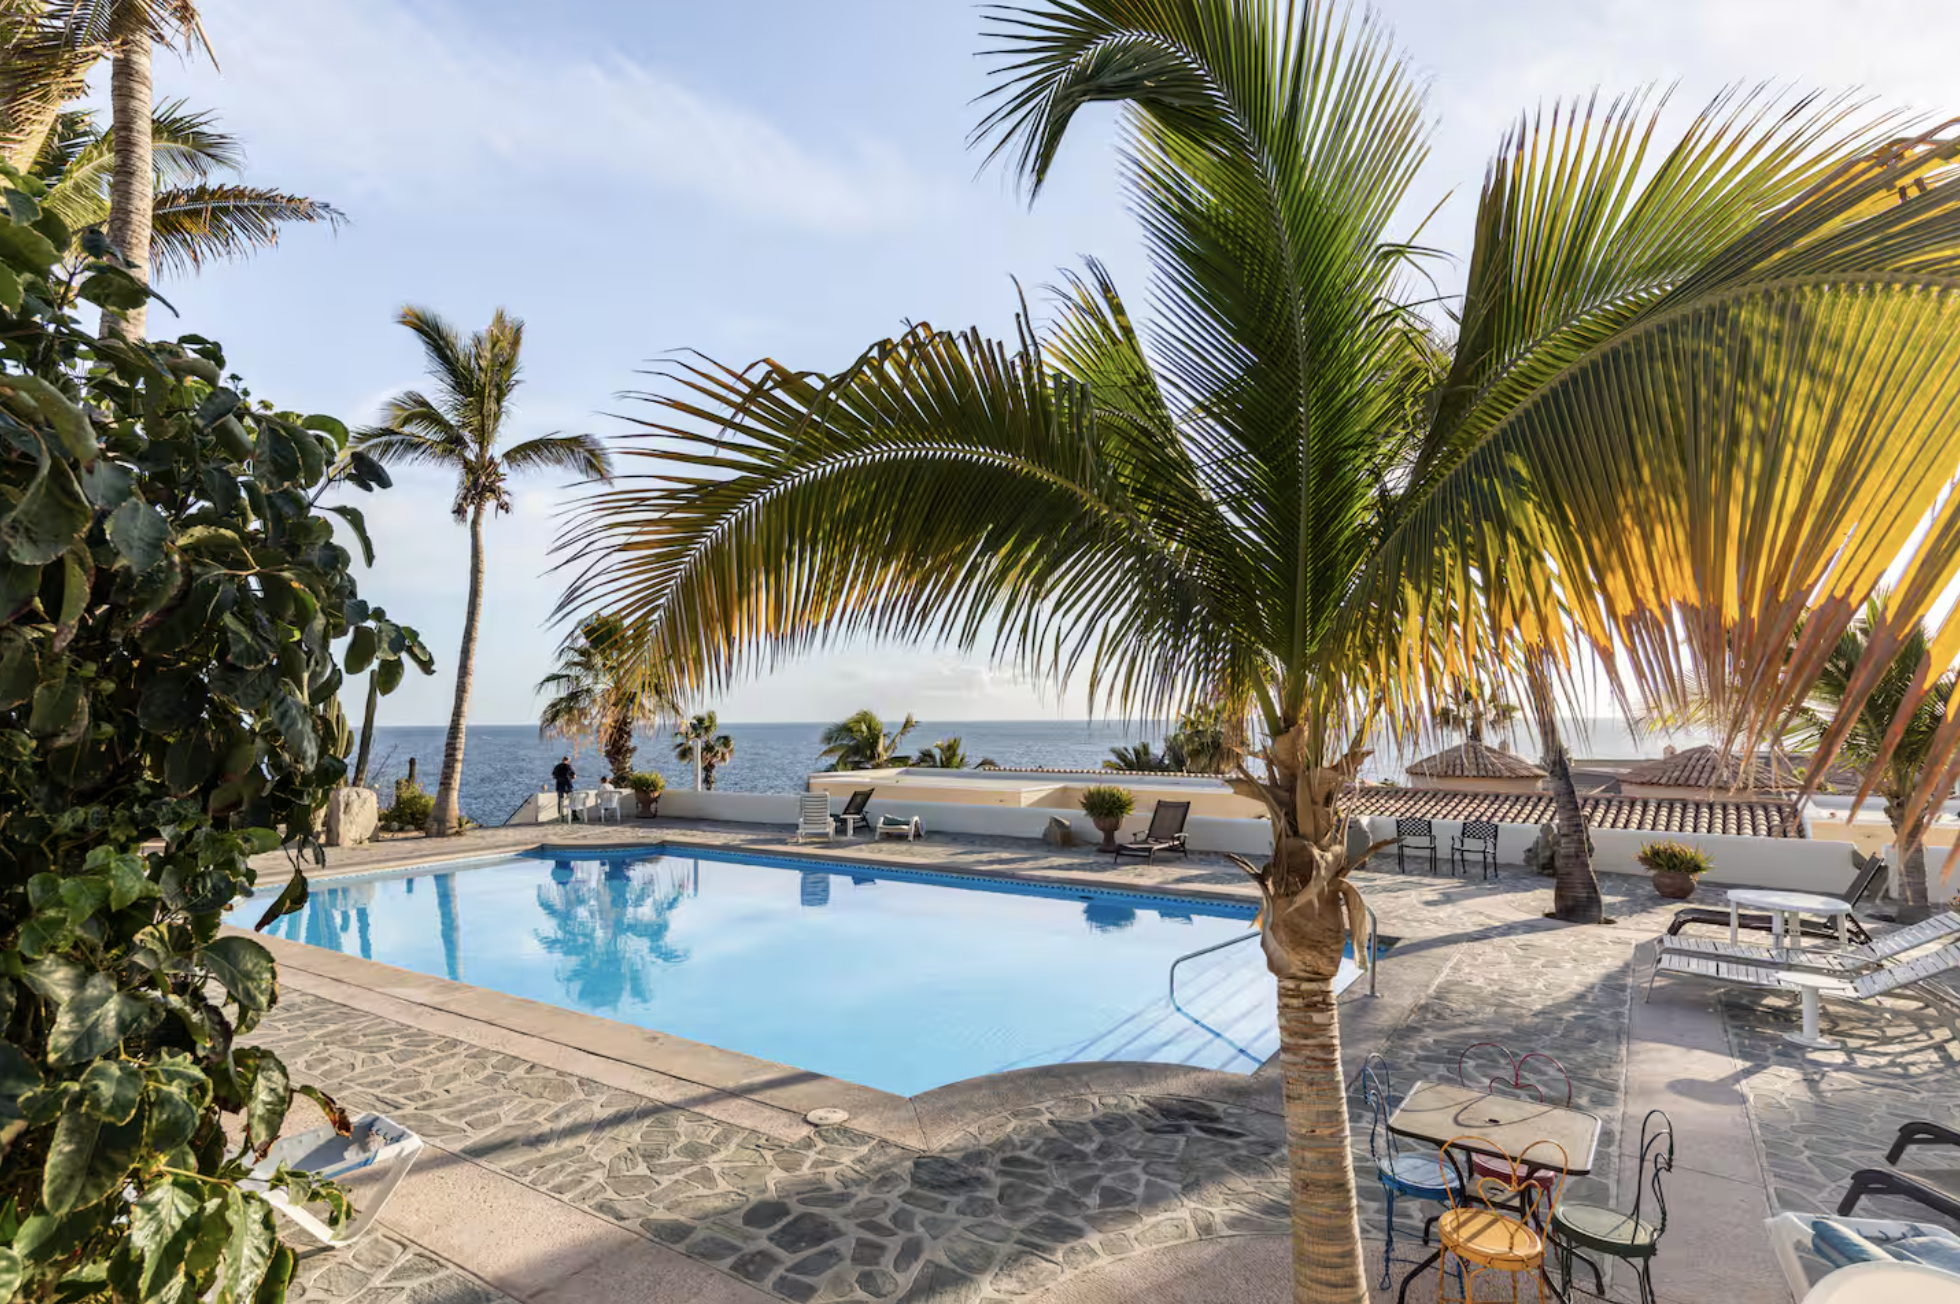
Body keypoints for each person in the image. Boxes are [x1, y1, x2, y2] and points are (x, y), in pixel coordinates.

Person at [551, 756, 575, 821]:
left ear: (562, 760)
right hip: (568, 785)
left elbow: (553, 776)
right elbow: (574, 776)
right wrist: (570, 778)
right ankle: (574, 815)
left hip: (559, 785)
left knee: (560, 801)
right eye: (569, 760)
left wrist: (559, 778)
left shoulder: (557, 767)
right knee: (572, 800)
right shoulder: (569, 766)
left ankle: (561, 816)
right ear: (567, 760)